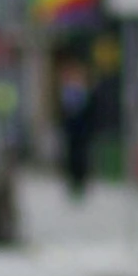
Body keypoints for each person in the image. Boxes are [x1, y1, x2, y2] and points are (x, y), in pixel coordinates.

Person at [55, 59, 95, 201]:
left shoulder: (83, 92)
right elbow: (63, 112)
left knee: (81, 157)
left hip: (82, 130)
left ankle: (81, 183)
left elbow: (89, 111)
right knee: (71, 157)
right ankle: (73, 184)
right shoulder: (67, 92)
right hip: (71, 130)